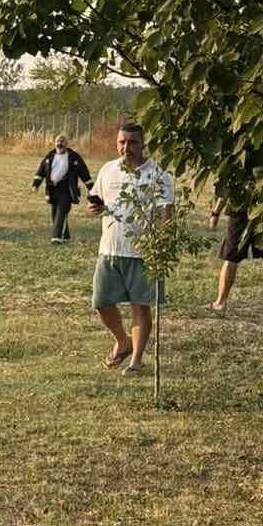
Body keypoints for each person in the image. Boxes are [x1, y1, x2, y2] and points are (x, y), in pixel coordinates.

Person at [86, 121, 174, 375]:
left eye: (132, 142)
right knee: (101, 303)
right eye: (122, 142)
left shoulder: (157, 175)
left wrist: (163, 246)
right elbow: (97, 201)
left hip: (142, 252)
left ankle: (136, 359)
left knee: (140, 306)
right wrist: (94, 208)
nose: (126, 147)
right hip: (110, 249)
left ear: (143, 144)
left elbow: (167, 213)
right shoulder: (108, 169)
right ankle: (122, 341)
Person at [208, 200, 263, 313]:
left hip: (240, 208)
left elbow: (226, 190)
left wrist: (215, 212)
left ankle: (220, 302)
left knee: (231, 258)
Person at [32, 133, 93, 243]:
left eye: (62, 142)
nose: (60, 144)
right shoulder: (49, 156)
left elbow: (84, 173)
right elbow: (41, 171)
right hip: (52, 189)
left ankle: (56, 237)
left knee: (62, 210)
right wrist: (36, 184)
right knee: (55, 213)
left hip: (67, 189)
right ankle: (65, 236)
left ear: (67, 144)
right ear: (55, 144)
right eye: (57, 142)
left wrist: (91, 188)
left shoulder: (74, 157)